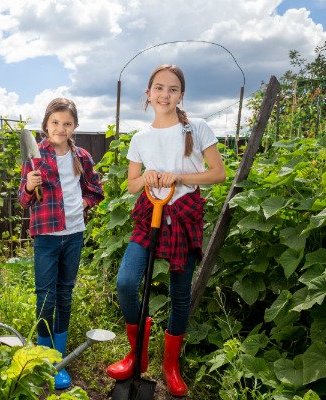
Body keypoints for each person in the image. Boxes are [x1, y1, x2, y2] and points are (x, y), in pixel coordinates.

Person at [105, 64, 226, 397]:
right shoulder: (140, 138)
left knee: (179, 293)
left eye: (173, 89)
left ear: (181, 95)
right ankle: (137, 352)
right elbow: (131, 185)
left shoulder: (197, 128)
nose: (165, 94)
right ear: (148, 93)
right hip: (150, 212)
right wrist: (146, 177)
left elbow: (218, 174)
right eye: (158, 88)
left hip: (183, 214)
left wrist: (179, 176)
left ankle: (171, 366)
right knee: (127, 281)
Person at [18, 97, 104, 390]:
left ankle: (60, 358)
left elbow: (96, 190)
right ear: (45, 125)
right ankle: (45, 357)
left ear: (74, 126)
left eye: (67, 123)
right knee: (46, 295)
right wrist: (30, 185)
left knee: (65, 293)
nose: (60, 128)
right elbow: (22, 199)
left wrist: (83, 202)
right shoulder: (35, 157)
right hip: (46, 237)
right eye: (55, 122)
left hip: (74, 234)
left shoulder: (81, 156)